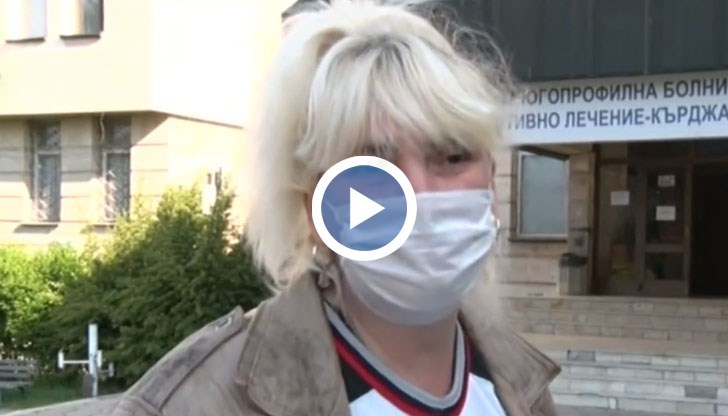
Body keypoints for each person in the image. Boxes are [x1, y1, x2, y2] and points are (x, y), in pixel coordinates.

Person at [110, 0, 560, 415]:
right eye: (373, 164)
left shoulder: (522, 390)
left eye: (453, 155)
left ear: (491, 182)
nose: (420, 193)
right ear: (316, 211)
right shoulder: (195, 402)